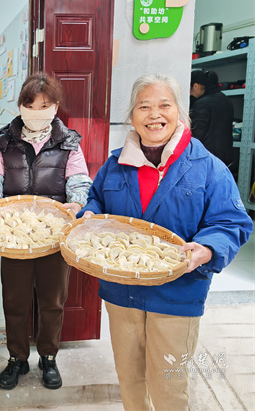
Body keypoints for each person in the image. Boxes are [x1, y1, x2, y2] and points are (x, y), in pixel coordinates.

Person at [80, 73, 252, 410]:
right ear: (132, 116)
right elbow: (96, 200)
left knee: (169, 388)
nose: (154, 115)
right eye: (144, 107)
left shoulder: (208, 168)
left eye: (164, 105)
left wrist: (207, 248)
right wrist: (89, 214)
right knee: (130, 379)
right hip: (122, 293)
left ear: (180, 112)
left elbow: (231, 222)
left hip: (177, 294)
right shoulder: (116, 165)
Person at [0, 73, 93, 391]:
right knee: (14, 300)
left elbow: (79, 179)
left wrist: (76, 201)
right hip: (14, 235)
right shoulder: (5, 139)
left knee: (52, 301)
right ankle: (17, 358)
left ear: (55, 107)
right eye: (31, 105)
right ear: (20, 107)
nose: (38, 112)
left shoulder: (69, 141)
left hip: (54, 236)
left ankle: (48, 357)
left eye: (45, 105)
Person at [189, 69, 234, 165]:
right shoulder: (226, 100)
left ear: (196, 86)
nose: (189, 92)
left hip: (207, 157)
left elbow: (197, 134)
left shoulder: (201, 104)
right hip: (225, 156)